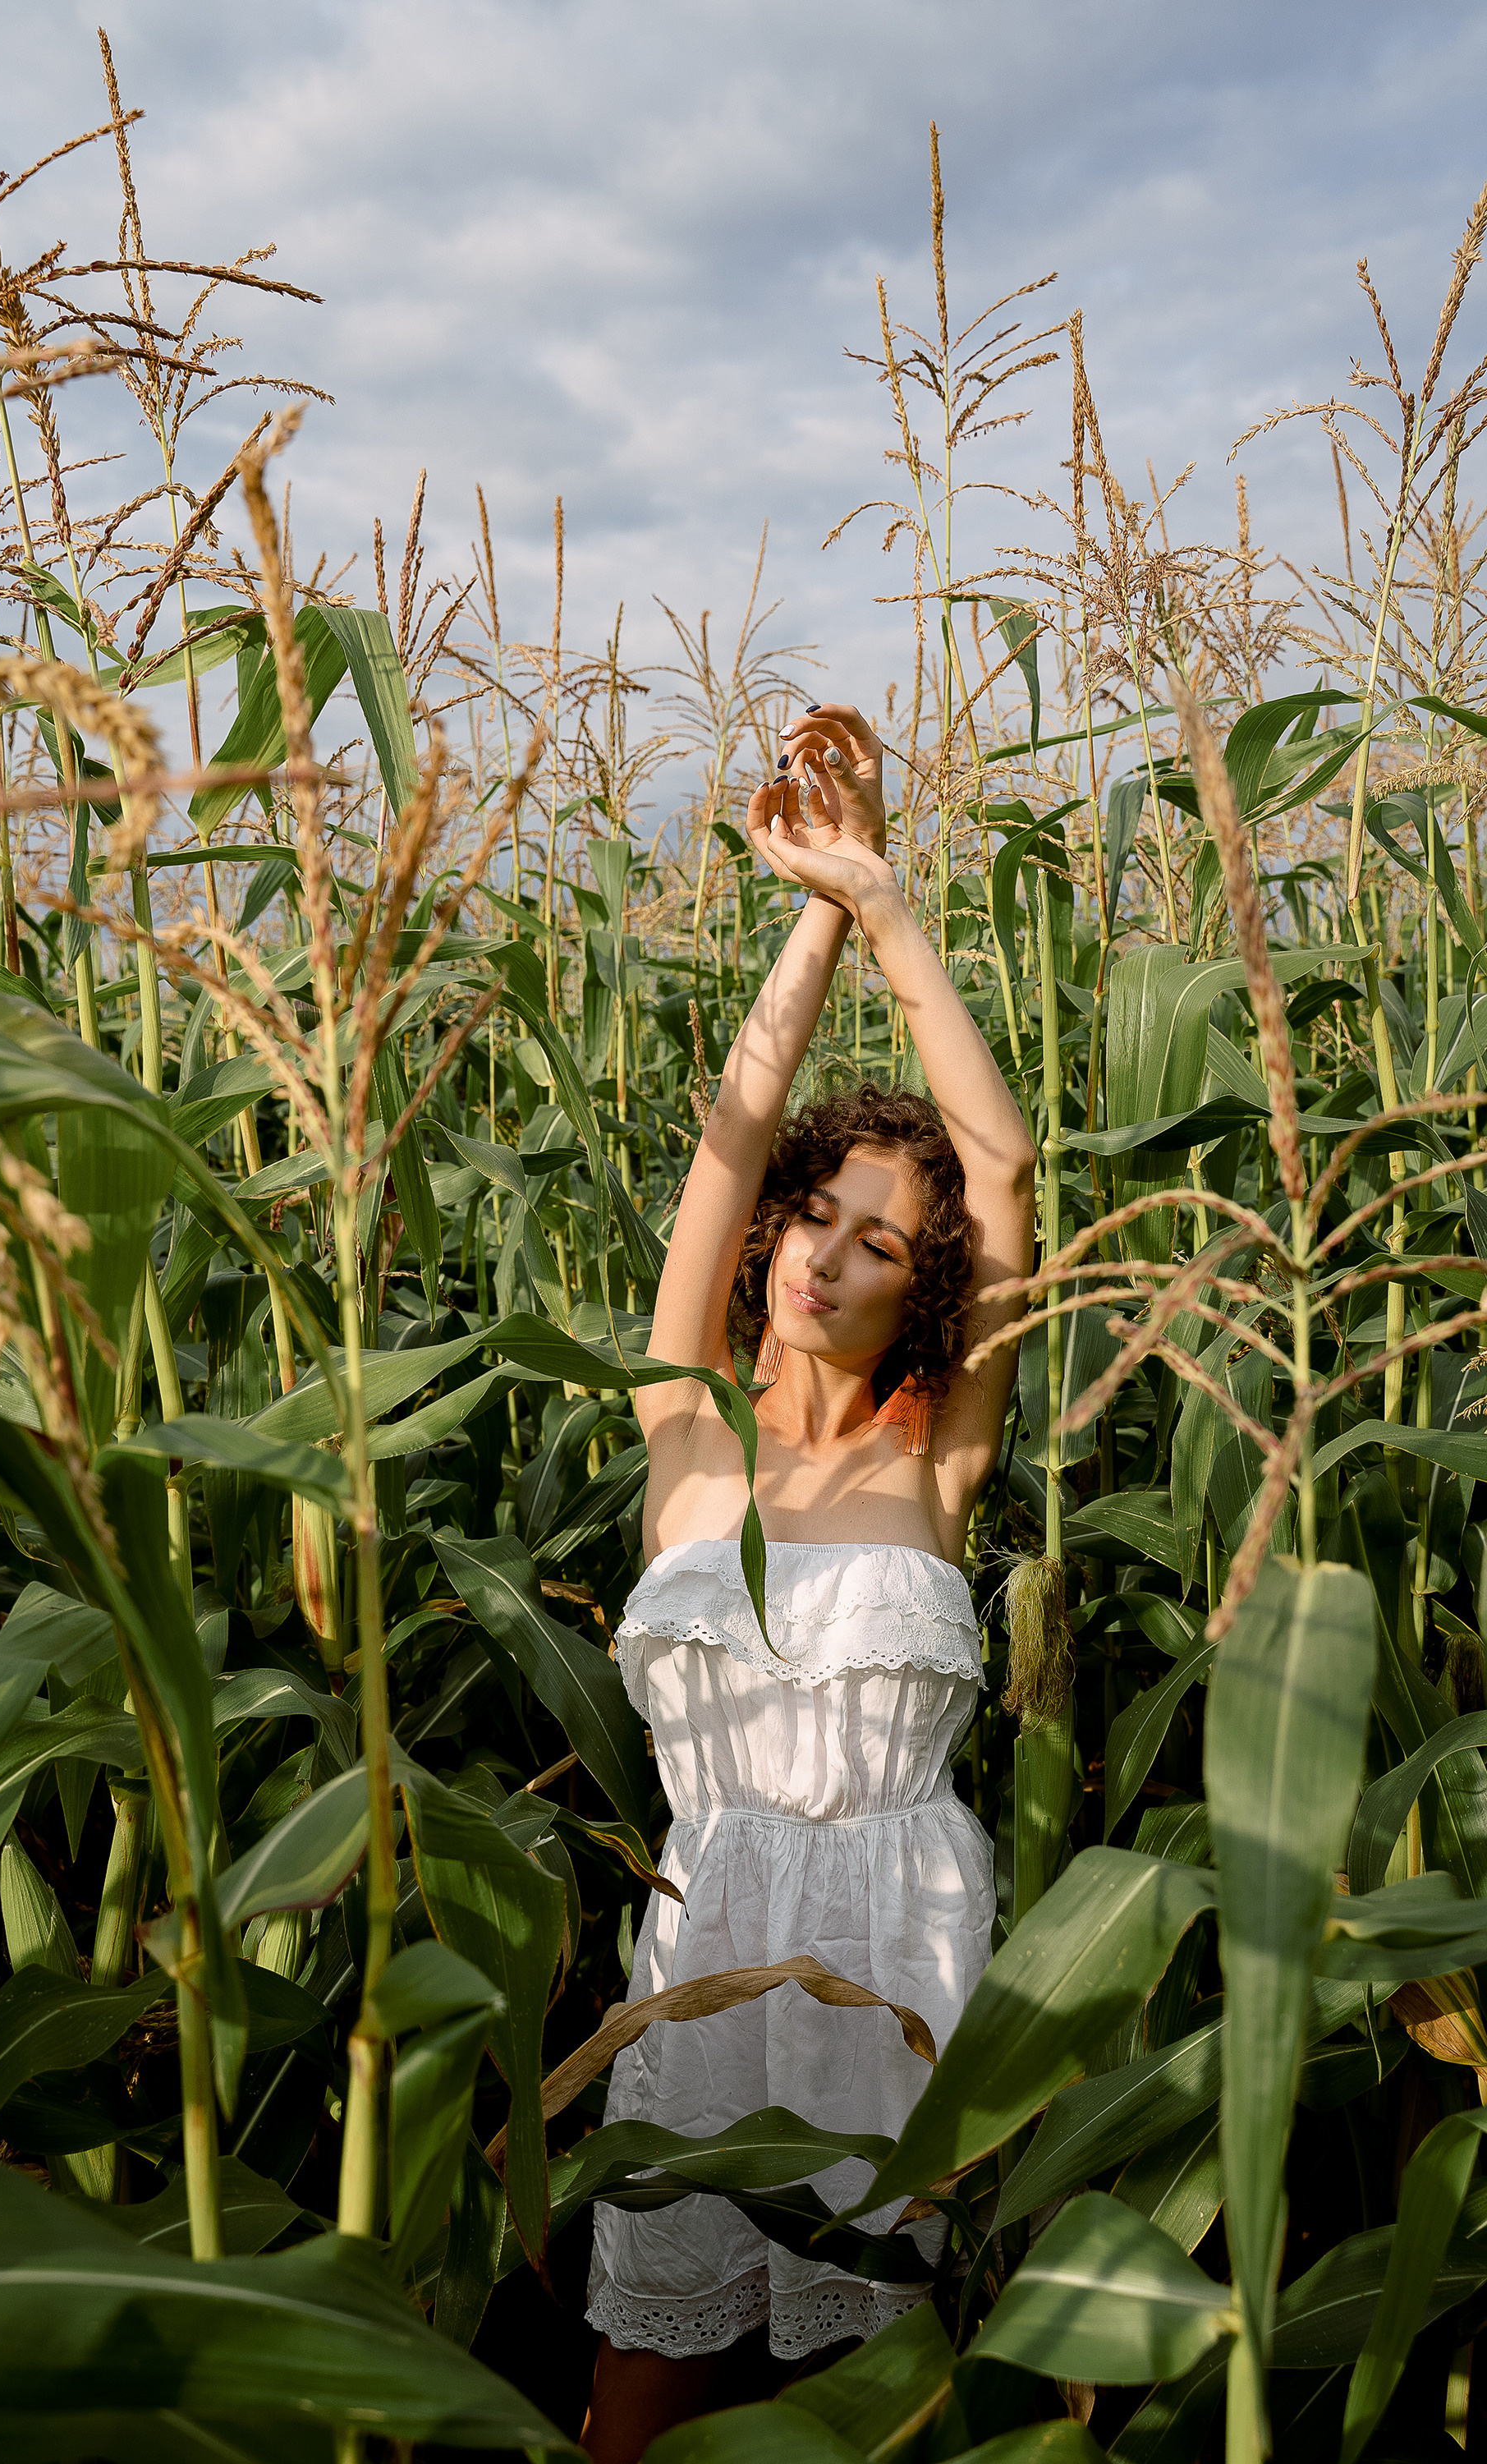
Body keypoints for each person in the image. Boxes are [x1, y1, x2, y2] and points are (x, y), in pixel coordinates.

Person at [580, 701, 1037, 2464]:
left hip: (900, 1959)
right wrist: (813, 910)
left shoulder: (937, 1458)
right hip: (706, 1954)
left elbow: (1003, 1165)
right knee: (645, 2392)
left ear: (925, 1291)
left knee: (870, 2409)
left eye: (881, 1243)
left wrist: (891, 900)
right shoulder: (685, 1425)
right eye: (816, 1217)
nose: (825, 1261)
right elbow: (730, 1129)